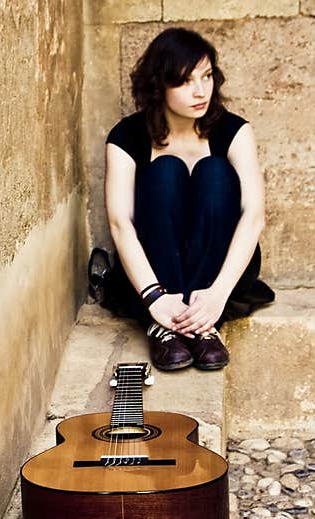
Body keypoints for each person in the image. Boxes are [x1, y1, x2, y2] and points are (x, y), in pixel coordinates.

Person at [96, 26, 275, 372]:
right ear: (158, 87)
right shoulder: (126, 137)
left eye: (206, 76)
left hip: (219, 275)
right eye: (184, 81)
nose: (200, 91)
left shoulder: (234, 130)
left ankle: (204, 325)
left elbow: (254, 215)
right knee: (164, 171)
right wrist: (154, 298)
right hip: (155, 274)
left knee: (214, 172)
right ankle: (167, 326)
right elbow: (121, 225)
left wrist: (219, 293)